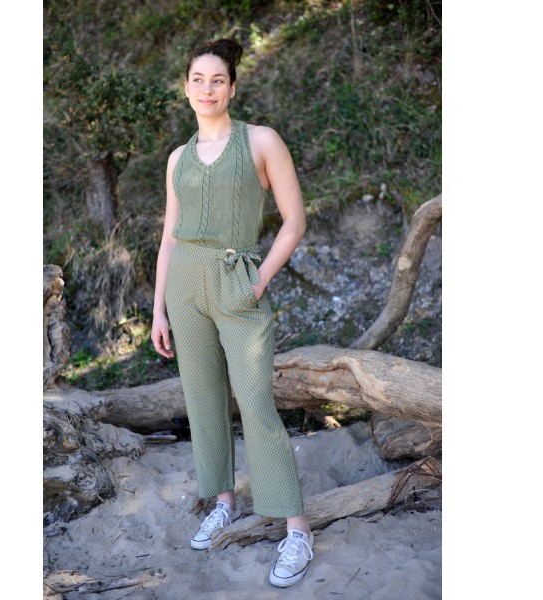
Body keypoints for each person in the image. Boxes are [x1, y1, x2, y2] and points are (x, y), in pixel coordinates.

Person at [151, 38, 314, 588]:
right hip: (185, 284)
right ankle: (223, 501)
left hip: (238, 277)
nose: (207, 89)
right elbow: (169, 238)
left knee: (256, 400)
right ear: (186, 88)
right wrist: (158, 310)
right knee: (202, 399)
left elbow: (294, 221)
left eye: (217, 80)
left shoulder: (261, 141)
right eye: (198, 79)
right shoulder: (178, 158)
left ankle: (296, 529)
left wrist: (259, 279)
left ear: (232, 88)